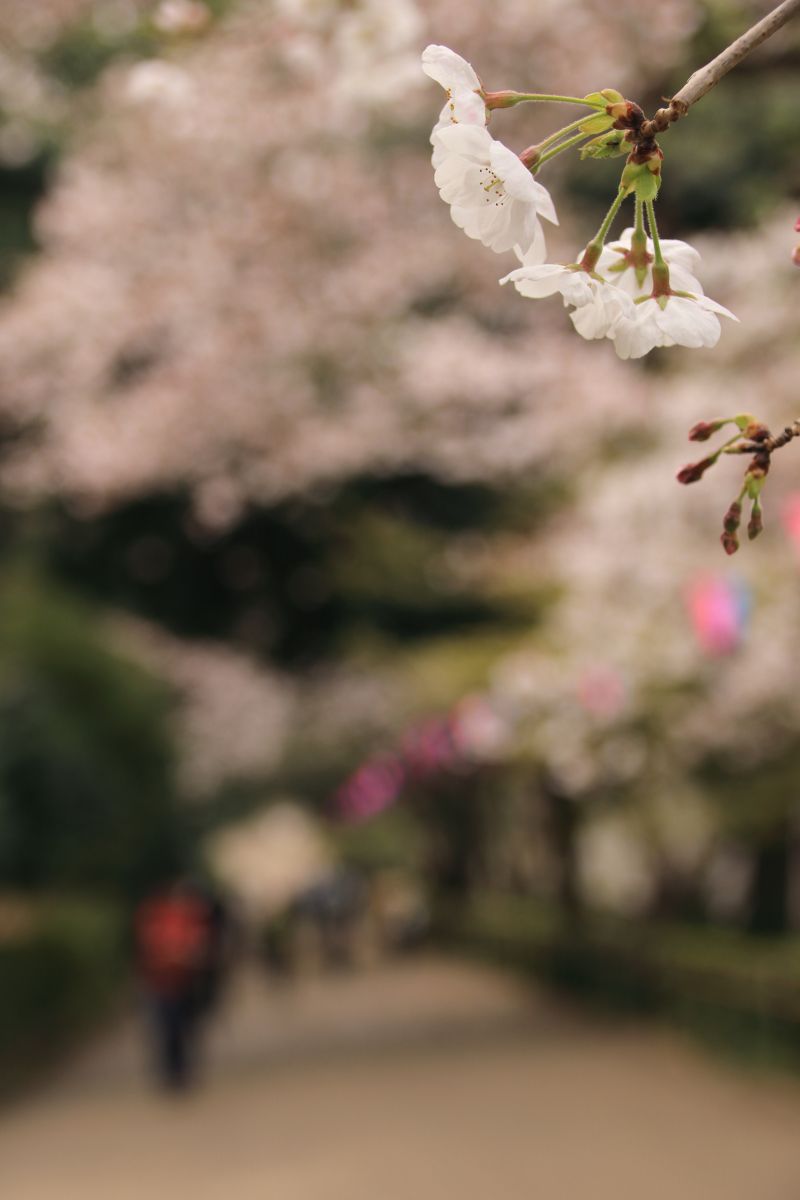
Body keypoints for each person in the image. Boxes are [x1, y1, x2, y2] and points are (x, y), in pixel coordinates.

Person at [134, 879, 215, 1090]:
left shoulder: (188, 917)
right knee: (166, 1028)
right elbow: (148, 945)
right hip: (161, 982)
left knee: (184, 1027)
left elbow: (200, 944)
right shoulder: (155, 915)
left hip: (184, 981)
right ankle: (171, 1071)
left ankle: (181, 1070)